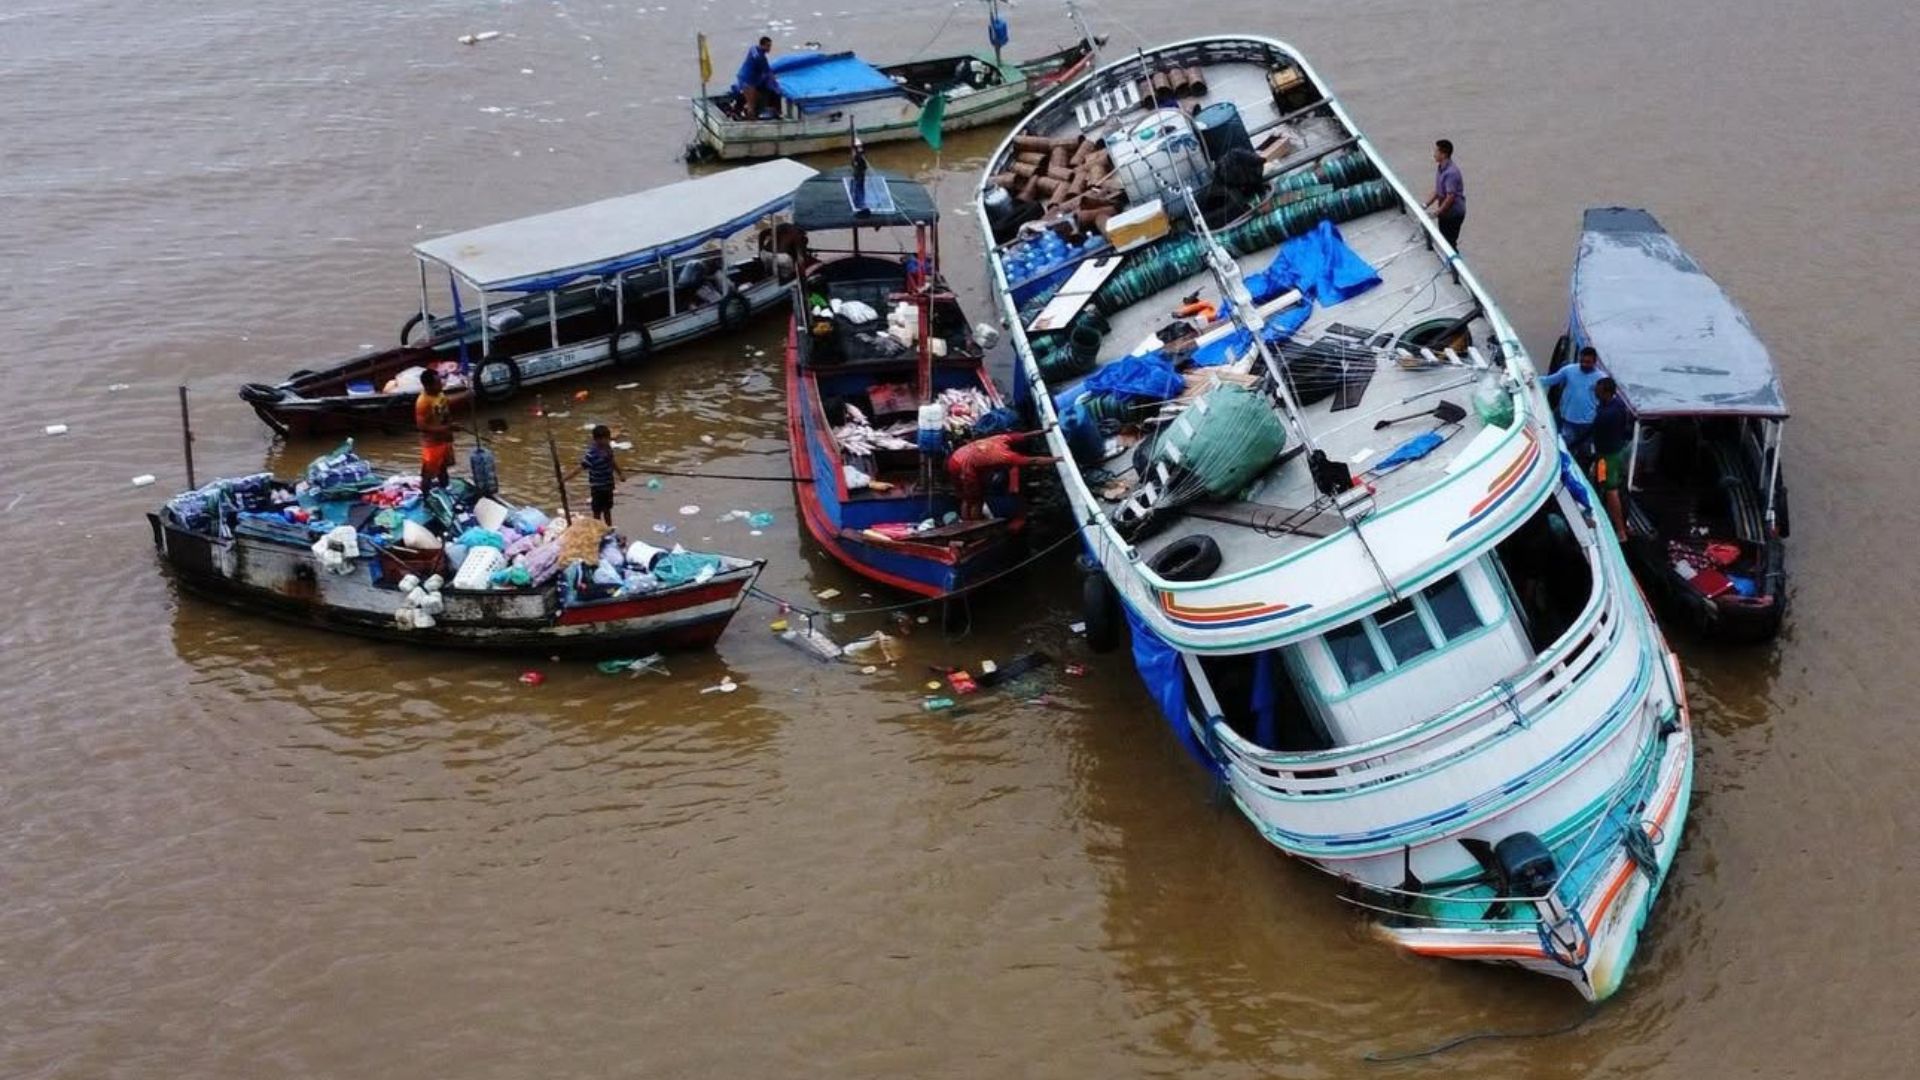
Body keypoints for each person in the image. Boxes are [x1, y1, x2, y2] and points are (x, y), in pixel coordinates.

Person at [945, 432, 1059, 521]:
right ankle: (974, 526)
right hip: (965, 467)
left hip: (956, 458)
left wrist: (1045, 431)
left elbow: (1024, 435)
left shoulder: (1000, 439)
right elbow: (1034, 460)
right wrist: (1058, 459)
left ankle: (965, 520)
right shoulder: (1006, 456)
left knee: (966, 497)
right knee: (976, 499)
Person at [1539, 345, 1606, 459]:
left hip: (1588, 423)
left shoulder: (1601, 378)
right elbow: (1550, 380)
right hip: (1568, 420)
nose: (1584, 364)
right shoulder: (1569, 370)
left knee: (1586, 453)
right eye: (1582, 361)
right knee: (1564, 448)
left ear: (1595, 362)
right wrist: (1531, 379)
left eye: (1588, 362)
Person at [1589, 377, 1633, 541]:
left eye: (1597, 391)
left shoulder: (1605, 415)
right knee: (1617, 486)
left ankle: (1621, 531)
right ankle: (1623, 523)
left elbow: (1593, 431)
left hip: (1607, 458)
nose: (1595, 393)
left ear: (1605, 393)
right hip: (1617, 452)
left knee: (1610, 490)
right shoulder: (1618, 404)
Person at [564, 424, 627, 526]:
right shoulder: (592, 454)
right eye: (603, 439)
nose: (606, 441)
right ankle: (597, 528)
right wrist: (566, 478)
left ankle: (608, 527)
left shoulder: (608, 449)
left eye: (607, 439)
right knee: (597, 510)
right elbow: (581, 467)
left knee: (607, 509)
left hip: (608, 485)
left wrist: (620, 473)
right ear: (596, 440)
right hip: (597, 487)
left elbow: (612, 462)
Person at [415, 367, 457, 498]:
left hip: (444, 439)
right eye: (437, 383)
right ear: (428, 385)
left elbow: (445, 403)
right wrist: (447, 428)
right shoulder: (423, 402)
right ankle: (425, 498)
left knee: (443, 467)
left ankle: (445, 490)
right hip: (433, 444)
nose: (441, 384)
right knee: (428, 473)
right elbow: (422, 426)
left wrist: (465, 396)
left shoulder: (439, 393)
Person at [1424, 138, 1466, 247]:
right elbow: (1438, 191)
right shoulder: (1441, 168)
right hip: (1445, 212)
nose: (1434, 154)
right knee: (1443, 239)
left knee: (1450, 243)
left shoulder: (1451, 173)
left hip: (1453, 214)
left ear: (1443, 154)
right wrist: (1425, 205)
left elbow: (1450, 197)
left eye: (1436, 151)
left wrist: (1437, 212)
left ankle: (1454, 262)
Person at [733, 36, 779, 118]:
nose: (769, 48)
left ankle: (743, 110)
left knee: (756, 99)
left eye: (770, 46)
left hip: (743, 77)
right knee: (751, 106)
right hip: (748, 81)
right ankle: (751, 122)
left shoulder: (753, 48)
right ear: (762, 45)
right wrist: (776, 86)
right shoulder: (761, 58)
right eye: (768, 46)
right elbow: (768, 73)